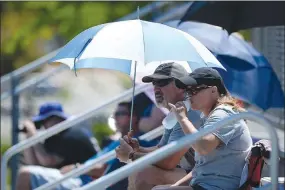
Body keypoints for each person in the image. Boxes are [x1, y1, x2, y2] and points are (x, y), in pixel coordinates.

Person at [16, 101, 156, 190]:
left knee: (25, 174)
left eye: (120, 113)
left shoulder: (134, 142)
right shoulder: (117, 140)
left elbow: (105, 170)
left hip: (86, 181)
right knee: (26, 172)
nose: (116, 117)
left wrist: (77, 168)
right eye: (115, 114)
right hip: (79, 177)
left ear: (134, 117)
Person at [153, 67, 252, 190]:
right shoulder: (211, 116)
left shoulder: (224, 114)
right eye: (188, 91)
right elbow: (199, 170)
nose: (189, 96)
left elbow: (203, 147)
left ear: (213, 90)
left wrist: (183, 119)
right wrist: (174, 187)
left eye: (195, 90)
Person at [115, 62, 202, 190]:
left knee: (143, 173)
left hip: (208, 178)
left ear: (181, 86)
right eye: (154, 83)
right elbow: (162, 149)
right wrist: (138, 149)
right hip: (194, 172)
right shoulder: (176, 113)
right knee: (138, 171)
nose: (156, 87)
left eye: (162, 83)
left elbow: (169, 161)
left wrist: (131, 155)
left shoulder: (189, 113)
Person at [20, 102, 98, 168]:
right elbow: (32, 165)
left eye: (45, 121)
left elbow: (47, 161)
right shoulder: (55, 137)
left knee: (26, 174)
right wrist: (29, 137)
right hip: (73, 176)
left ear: (57, 118)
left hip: (86, 177)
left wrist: (33, 134)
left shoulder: (70, 135)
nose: (44, 125)